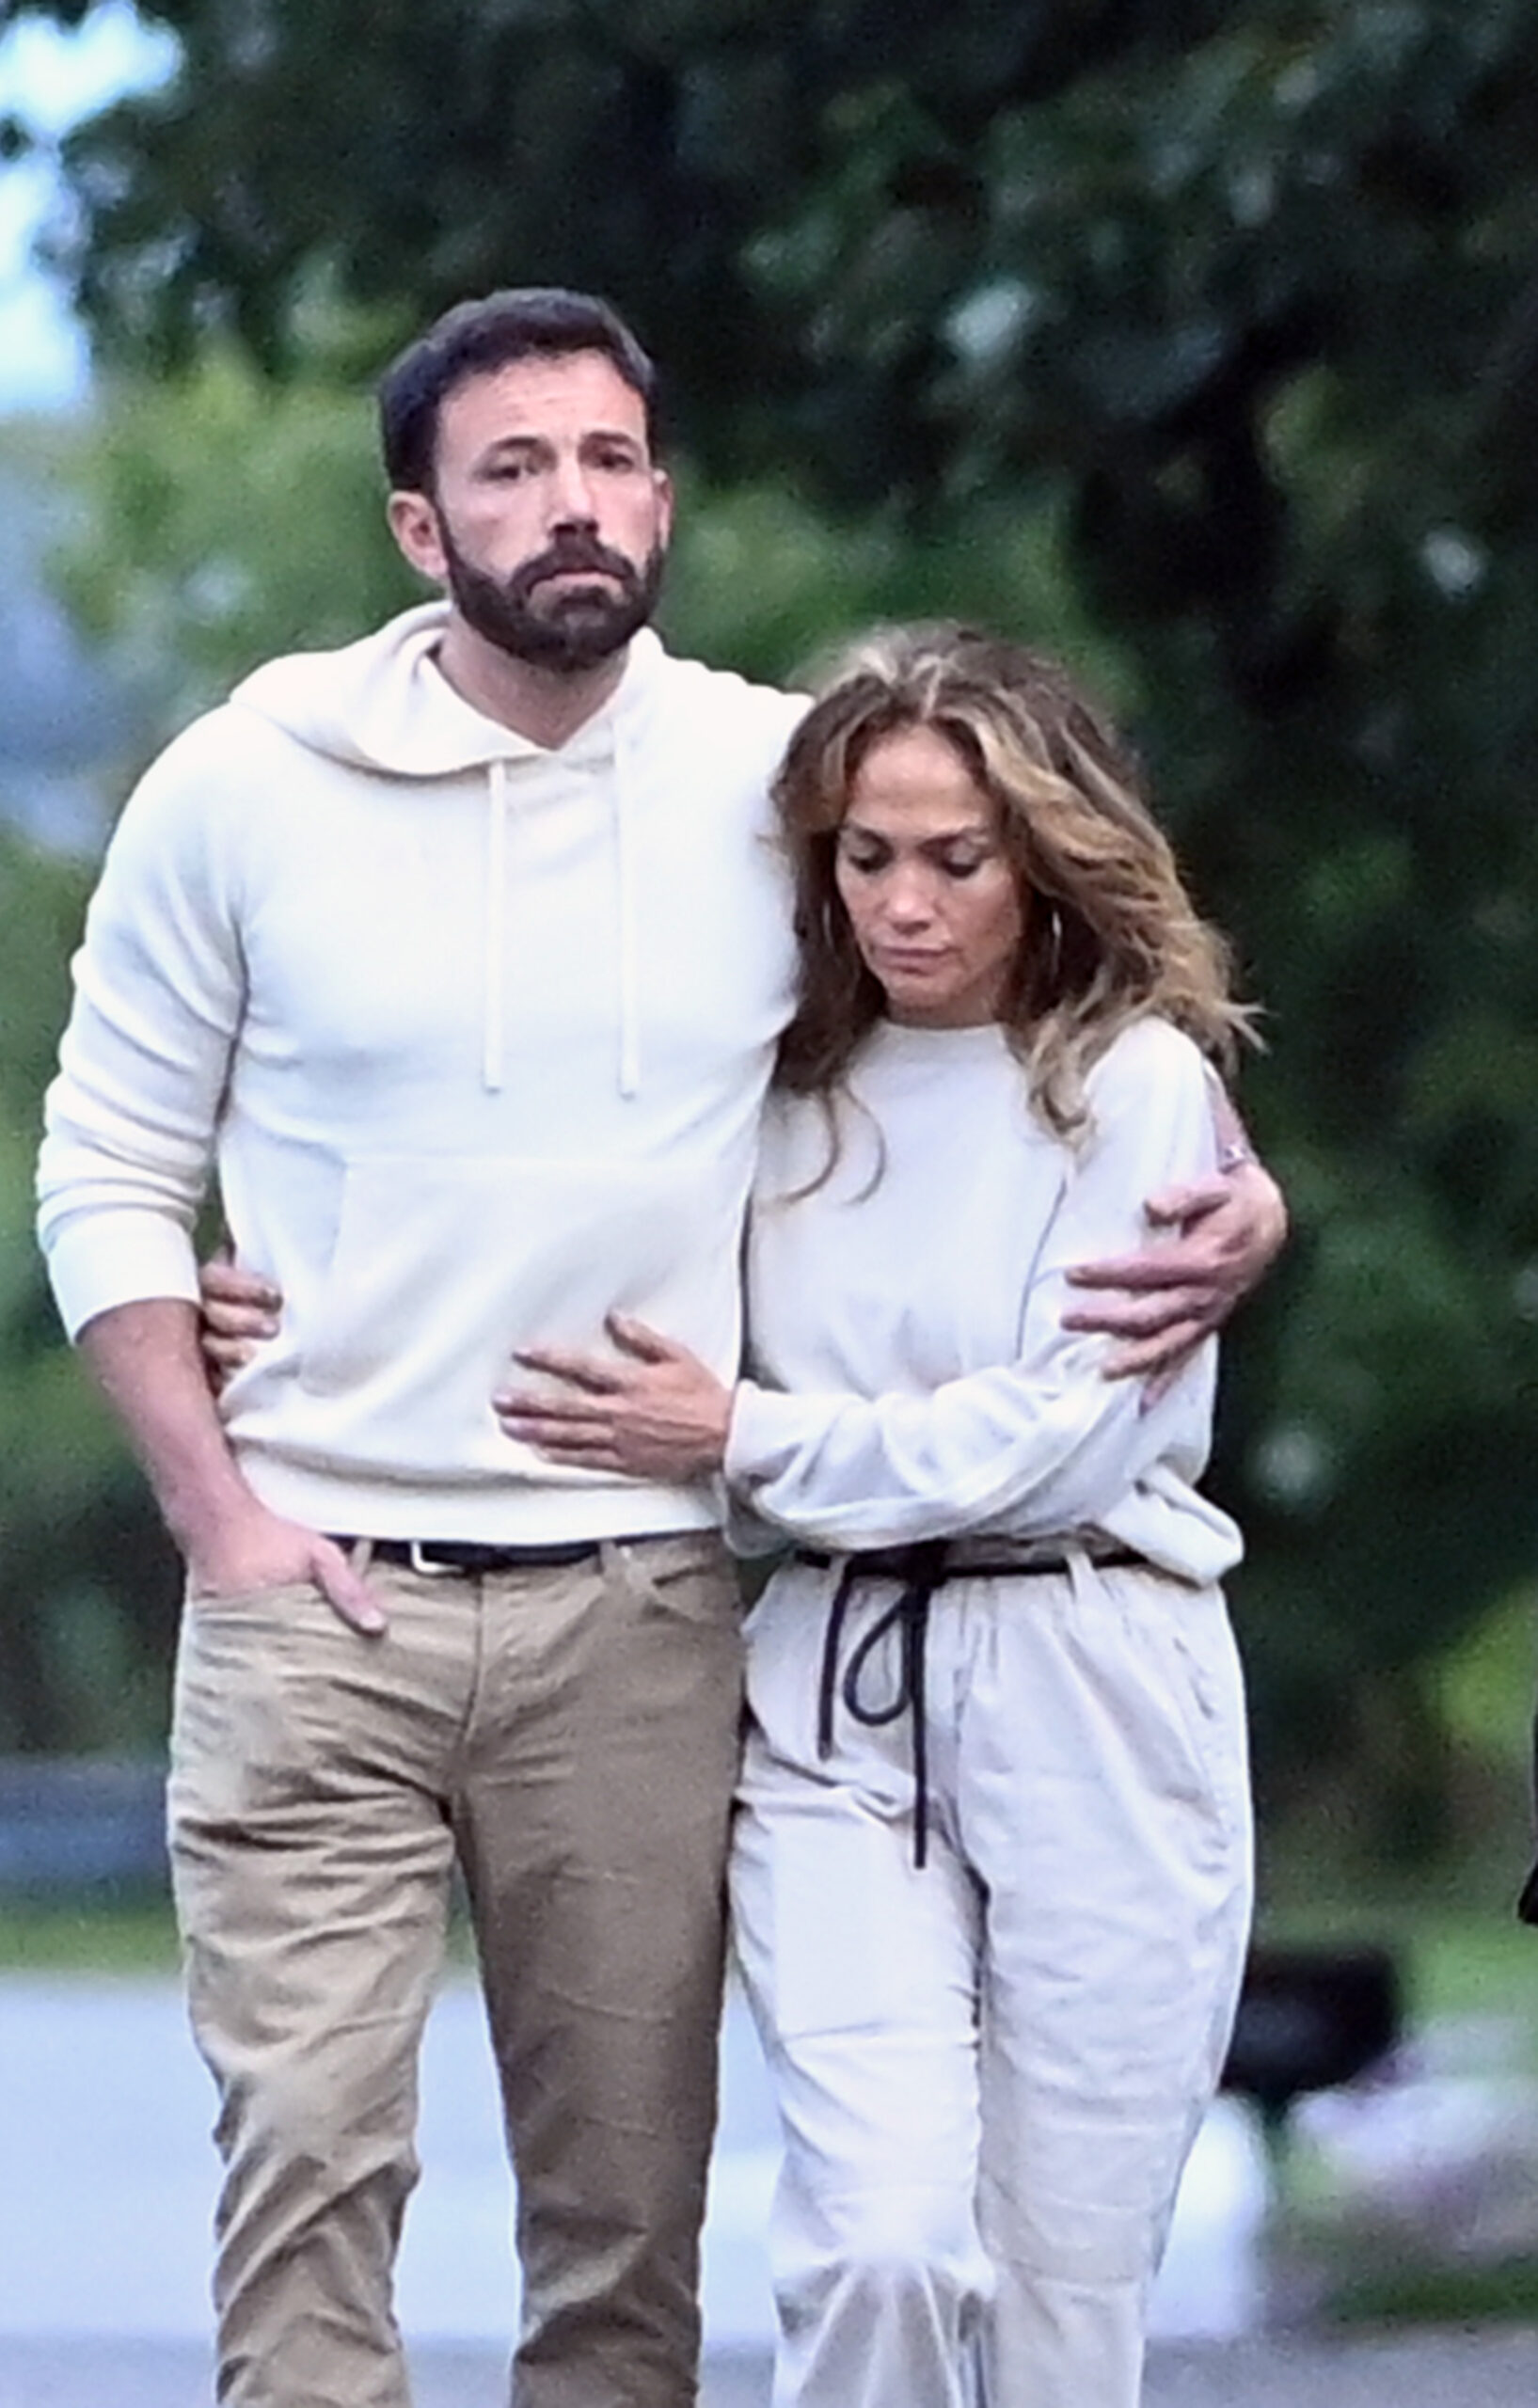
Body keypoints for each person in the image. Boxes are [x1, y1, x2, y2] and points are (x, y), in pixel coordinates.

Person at [39, 285, 1282, 2408]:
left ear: (663, 497)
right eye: (513, 467)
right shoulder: (238, 786)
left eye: (610, 459)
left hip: (638, 1596)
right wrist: (220, 1514)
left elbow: (1010, 992)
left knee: (628, 2239)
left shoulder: (767, 781)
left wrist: (1241, 1183)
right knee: (311, 2178)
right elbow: (106, 1167)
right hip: (314, 1589)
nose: (573, 503)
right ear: (420, 527)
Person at [491, 624, 1259, 2408]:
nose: (906, 903)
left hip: (1099, 1667)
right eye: (866, 856)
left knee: (1069, 2291)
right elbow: (555, 1264)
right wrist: (262, 1296)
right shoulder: (775, 1095)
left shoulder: (1136, 1088)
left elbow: (1056, 1444)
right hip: (830, 1687)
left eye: (956, 859)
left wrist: (747, 1433)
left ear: (1044, 858)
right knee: (880, 2242)